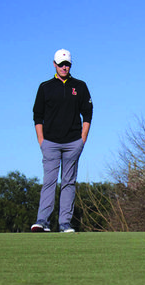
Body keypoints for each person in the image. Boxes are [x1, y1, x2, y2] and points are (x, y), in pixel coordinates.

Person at [31, 49, 93, 233]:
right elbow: (37, 115)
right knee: (49, 181)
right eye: (61, 64)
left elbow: (88, 113)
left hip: (73, 142)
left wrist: (82, 139)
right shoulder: (45, 87)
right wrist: (41, 140)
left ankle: (64, 223)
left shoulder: (80, 86)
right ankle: (43, 221)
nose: (64, 67)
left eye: (67, 64)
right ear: (54, 64)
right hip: (50, 142)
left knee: (68, 182)